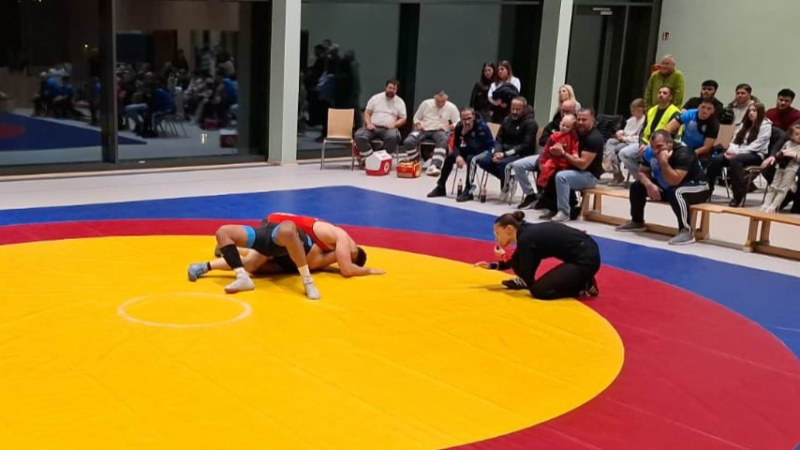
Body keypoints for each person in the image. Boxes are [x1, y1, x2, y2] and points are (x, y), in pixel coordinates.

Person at [189, 213, 383, 299]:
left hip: (283, 238)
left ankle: (216, 260)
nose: (342, 260)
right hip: (282, 232)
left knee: (253, 264)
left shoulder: (327, 250)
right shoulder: (341, 238)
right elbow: (347, 269)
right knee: (253, 261)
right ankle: (210, 264)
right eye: (346, 257)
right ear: (353, 251)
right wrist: (370, 271)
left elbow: (342, 265)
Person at [474, 211, 601, 300]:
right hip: (585, 252)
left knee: (539, 291)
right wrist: (493, 266)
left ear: (509, 229)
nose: (496, 238)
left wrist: (504, 257)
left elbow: (525, 277)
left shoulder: (526, 239)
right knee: (537, 287)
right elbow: (519, 260)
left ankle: (582, 285)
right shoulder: (526, 233)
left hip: (585, 260)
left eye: (497, 233)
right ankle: (582, 278)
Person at [615, 130, 711, 245]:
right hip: (670, 186)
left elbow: (674, 181)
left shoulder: (684, 153)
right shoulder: (650, 152)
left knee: (677, 192)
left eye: (659, 146)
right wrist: (649, 185)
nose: (656, 151)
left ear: (670, 143)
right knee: (637, 186)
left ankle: (686, 231)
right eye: (653, 147)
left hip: (697, 186)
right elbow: (642, 172)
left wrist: (664, 162)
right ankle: (637, 221)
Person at [761, 123, 800, 213]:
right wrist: (779, 155)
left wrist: (793, 155)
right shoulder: (787, 143)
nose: (799, 136)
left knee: (782, 189)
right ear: (791, 135)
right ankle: (766, 204)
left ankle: (774, 206)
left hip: (791, 168)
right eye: (797, 134)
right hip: (781, 167)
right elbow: (779, 152)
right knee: (773, 186)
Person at [536, 113, 579, 189]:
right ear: (560, 124)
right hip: (553, 159)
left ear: (572, 128)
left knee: (563, 174)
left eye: (567, 127)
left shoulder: (573, 137)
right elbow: (546, 149)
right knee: (546, 167)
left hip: (565, 161)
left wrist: (575, 154)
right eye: (563, 125)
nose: (564, 128)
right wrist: (542, 161)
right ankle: (541, 185)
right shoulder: (554, 136)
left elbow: (574, 148)